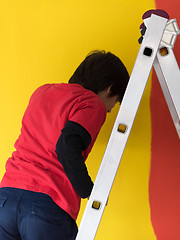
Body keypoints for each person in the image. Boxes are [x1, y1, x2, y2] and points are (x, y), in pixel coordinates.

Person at [0, 50, 129, 240]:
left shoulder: (41, 92)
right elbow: (67, 147)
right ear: (109, 88)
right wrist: (90, 191)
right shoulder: (91, 102)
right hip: (46, 204)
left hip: (6, 199)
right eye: (115, 101)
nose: (110, 109)